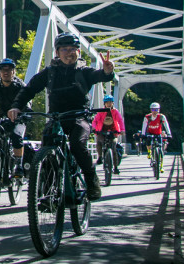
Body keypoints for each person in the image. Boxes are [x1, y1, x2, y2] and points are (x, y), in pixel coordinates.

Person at [8, 32, 115, 201]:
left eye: (73, 48)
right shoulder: (49, 72)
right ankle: (47, 193)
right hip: (57, 118)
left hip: (79, 117)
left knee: (77, 144)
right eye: (64, 49)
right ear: (57, 52)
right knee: (46, 147)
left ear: (78, 52)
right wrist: (16, 106)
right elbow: (29, 89)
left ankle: (91, 179)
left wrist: (107, 72)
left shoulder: (84, 71)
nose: (69, 52)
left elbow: (99, 75)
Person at [91, 95, 126, 174]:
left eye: (110, 102)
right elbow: (95, 121)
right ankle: (100, 156)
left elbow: (120, 121)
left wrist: (122, 130)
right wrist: (94, 128)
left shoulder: (115, 111)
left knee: (113, 147)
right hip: (102, 130)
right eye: (107, 102)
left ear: (113, 103)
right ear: (104, 104)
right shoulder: (101, 112)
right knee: (99, 142)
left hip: (113, 131)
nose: (109, 104)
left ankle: (116, 167)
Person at [141, 102, 172, 172]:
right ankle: (149, 152)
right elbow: (144, 125)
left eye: (156, 110)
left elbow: (166, 125)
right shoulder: (147, 117)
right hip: (150, 132)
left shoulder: (161, 117)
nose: (154, 111)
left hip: (158, 133)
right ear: (151, 110)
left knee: (160, 150)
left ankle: (161, 166)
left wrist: (169, 134)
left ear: (159, 110)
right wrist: (143, 134)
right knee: (148, 141)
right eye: (153, 109)